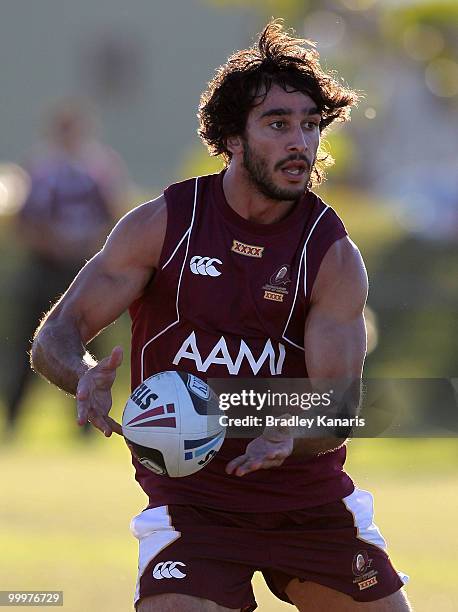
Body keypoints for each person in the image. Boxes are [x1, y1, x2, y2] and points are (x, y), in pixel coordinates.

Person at [31, 21, 411, 612]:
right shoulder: (163, 225)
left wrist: (290, 430)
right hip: (193, 506)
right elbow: (57, 332)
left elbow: (338, 405)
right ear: (233, 137)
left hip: (307, 503)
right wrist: (79, 373)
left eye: (310, 125)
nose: (300, 142)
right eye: (279, 124)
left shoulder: (331, 254)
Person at [2, 99, 126, 436]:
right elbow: (22, 223)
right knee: (32, 346)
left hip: (83, 266)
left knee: (90, 345)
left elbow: (116, 218)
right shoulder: (39, 169)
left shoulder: (98, 168)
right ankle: (13, 421)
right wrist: (52, 244)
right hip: (45, 266)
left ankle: (89, 426)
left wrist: (90, 247)